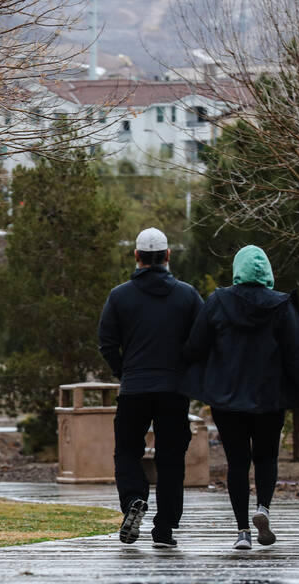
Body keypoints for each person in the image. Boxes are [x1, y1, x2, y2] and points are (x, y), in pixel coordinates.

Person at [183, 245, 299, 550]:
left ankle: (243, 531)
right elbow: (298, 357)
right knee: (266, 457)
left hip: (227, 398)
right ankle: (263, 508)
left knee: (237, 462)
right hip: (269, 398)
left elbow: (195, 346)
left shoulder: (217, 301)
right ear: (267, 272)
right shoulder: (283, 305)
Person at [98, 227, 203, 548]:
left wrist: (124, 371)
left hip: (135, 388)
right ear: (168, 256)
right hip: (173, 390)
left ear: (137, 256)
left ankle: (133, 500)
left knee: (127, 451)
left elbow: (106, 342)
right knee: (171, 458)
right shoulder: (188, 295)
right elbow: (201, 340)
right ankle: (165, 529)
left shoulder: (119, 296)